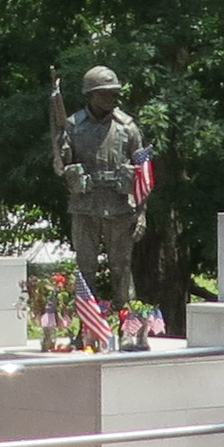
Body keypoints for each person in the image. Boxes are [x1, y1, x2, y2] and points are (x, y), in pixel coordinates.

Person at [48, 64, 146, 306]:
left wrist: (142, 213)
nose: (112, 97)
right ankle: (86, 328)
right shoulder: (72, 126)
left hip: (119, 206)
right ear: (91, 95)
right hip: (85, 205)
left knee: (121, 267)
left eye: (114, 93)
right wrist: (60, 154)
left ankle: (128, 327)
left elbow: (143, 172)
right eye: (105, 93)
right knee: (85, 269)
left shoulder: (127, 127)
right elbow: (61, 168)